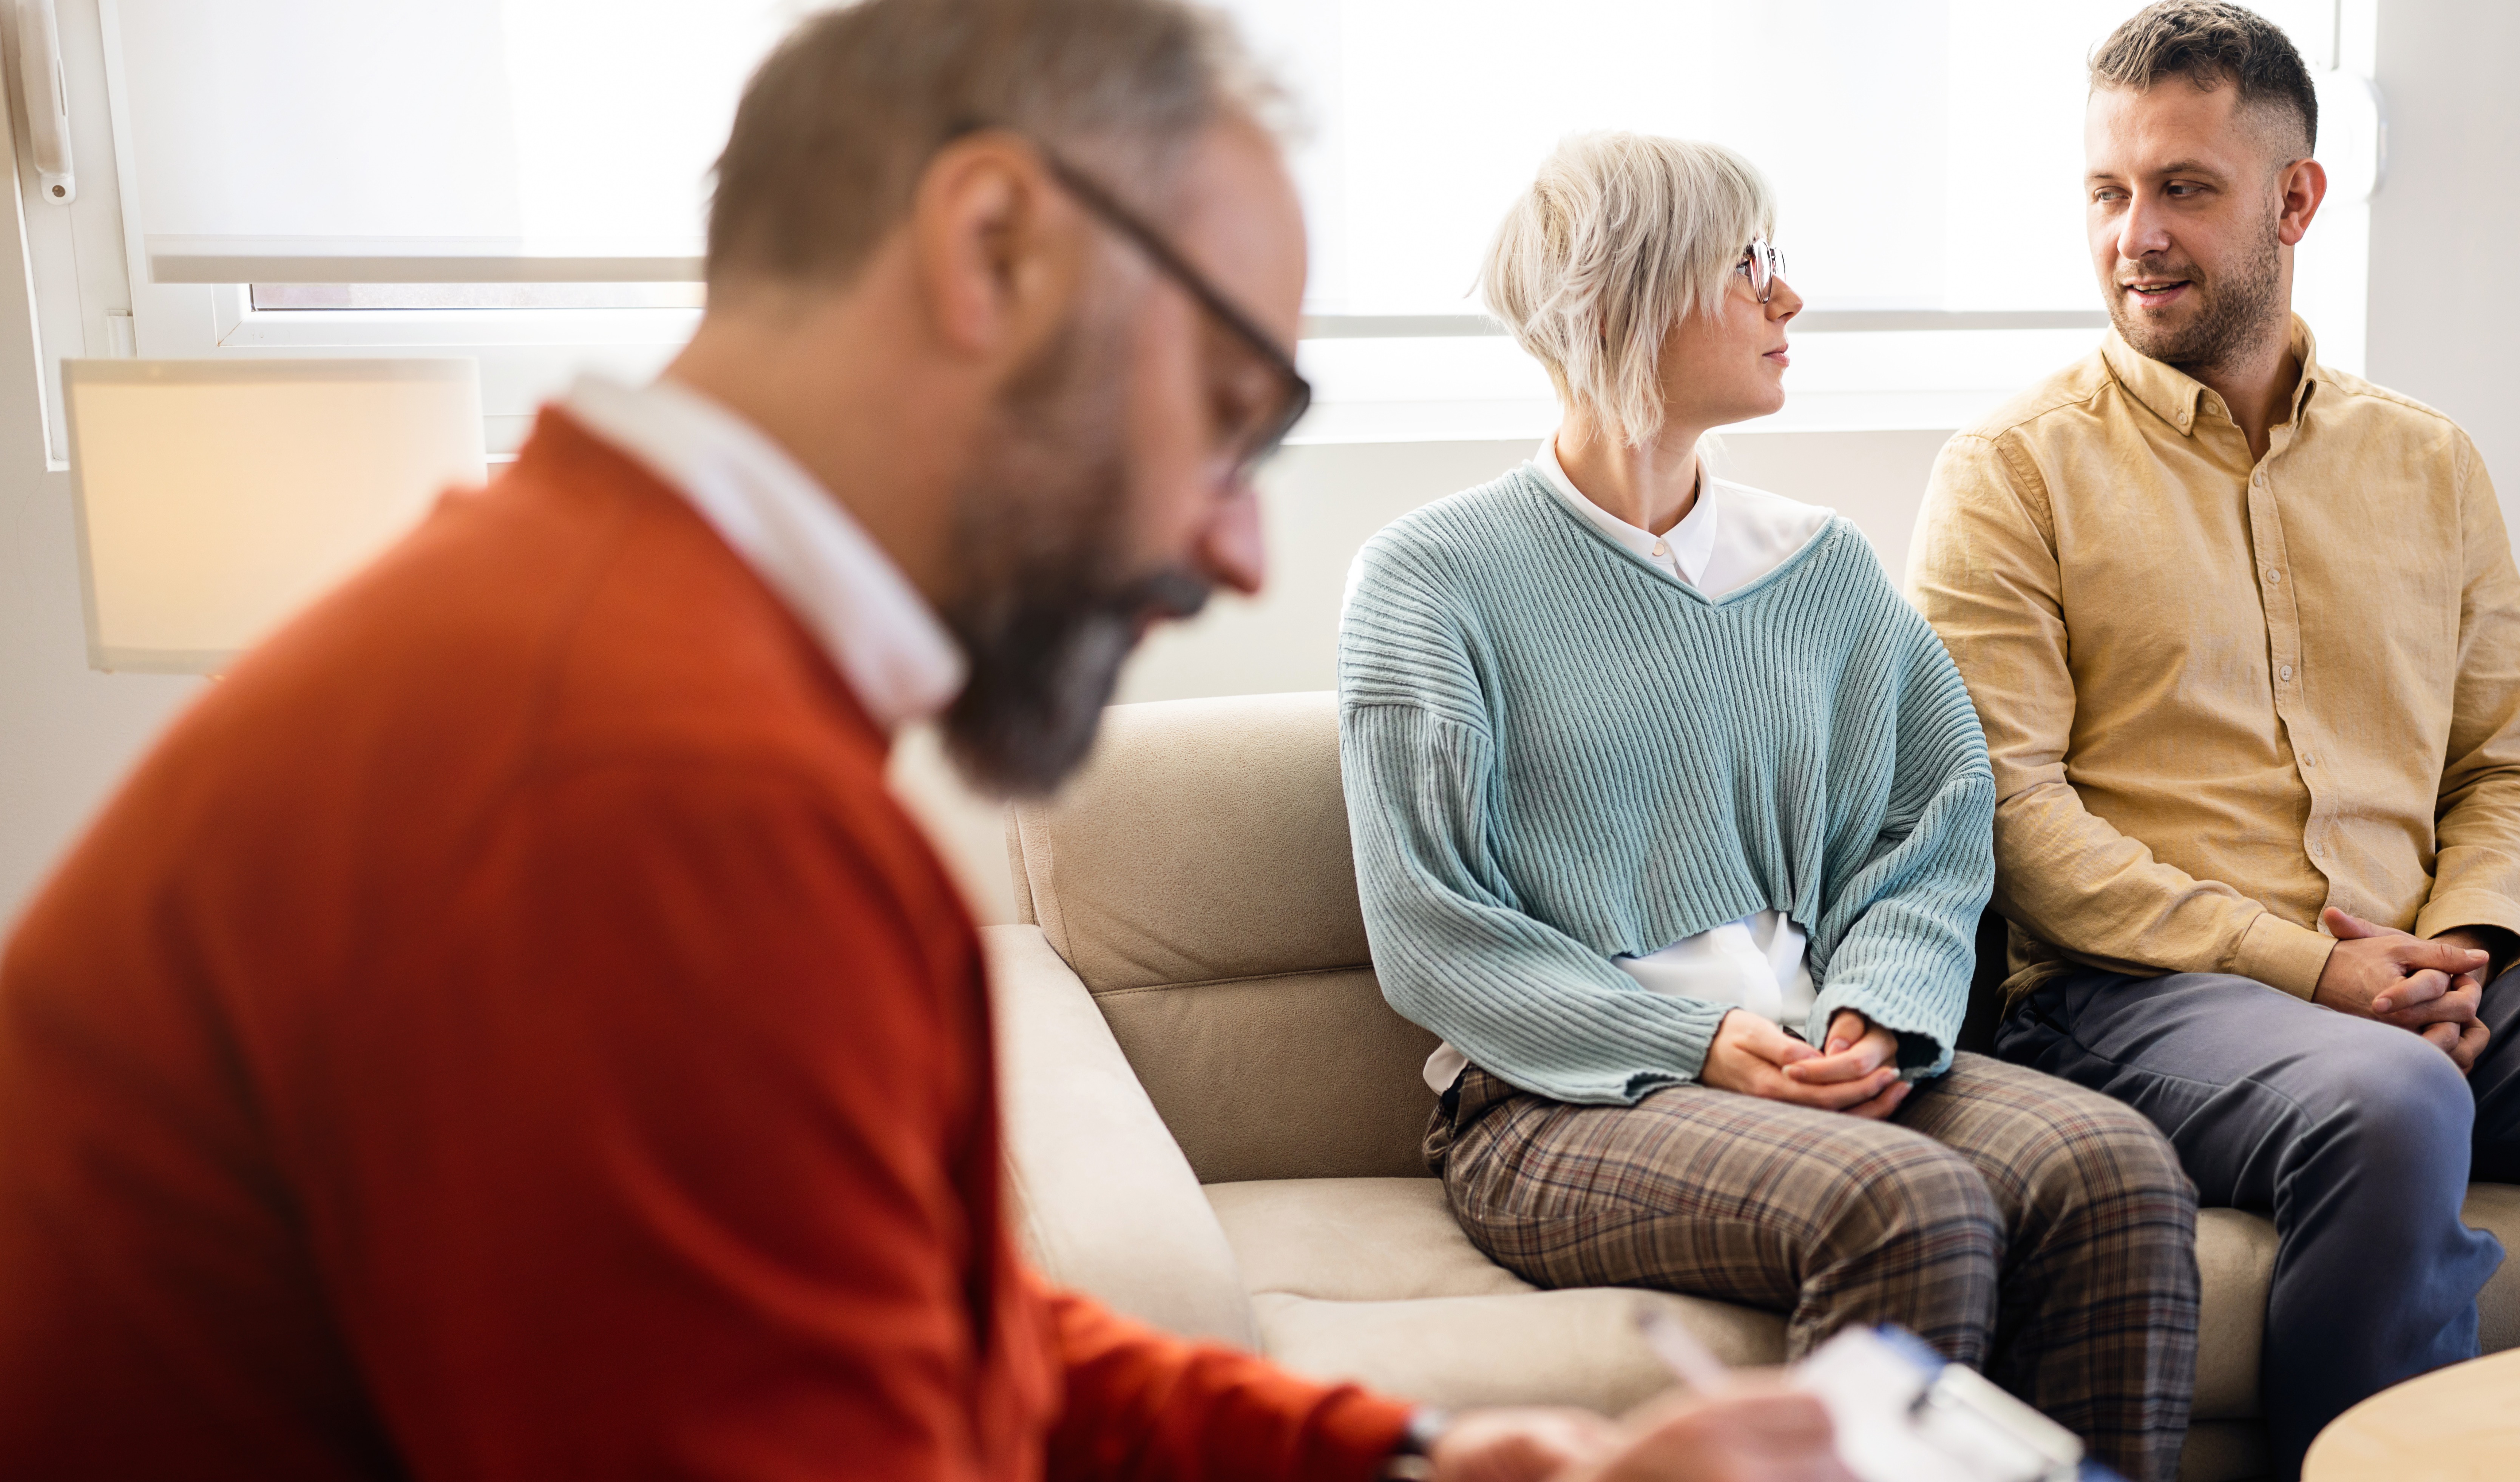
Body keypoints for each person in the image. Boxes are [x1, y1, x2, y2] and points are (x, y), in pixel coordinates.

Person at [0, 4, 1855, 1480]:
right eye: (1230, 406)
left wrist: (1419, 1458)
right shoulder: (645, 792)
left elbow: (937, 1330)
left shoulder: (595, 648)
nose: (1234, 549)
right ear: (990, 251)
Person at [1904, 1, 2520, 1463]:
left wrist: (2470, 945)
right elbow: (2015, 818)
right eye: (2106, 193)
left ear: (2295, 199)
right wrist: (2321, 968)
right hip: (2141, 993)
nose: (2134, 236)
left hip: (2438, 972)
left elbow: (2507, 759)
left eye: (2183, 187)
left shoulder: (2423, 460)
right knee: (2390, 1101)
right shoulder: (2009, 474)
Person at [1336, 132, 2199, 1482]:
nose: (1785, 300)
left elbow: (1930, 822)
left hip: (1821, 1056)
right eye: (1745, 267)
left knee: (2116, 1171)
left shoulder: (1819, 569)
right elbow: (1430, 929)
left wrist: (1880, 1009)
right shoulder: (1431, 582)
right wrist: (1696, 1040)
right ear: (1620, 300)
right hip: (1556, 1104)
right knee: (1903, 1204)